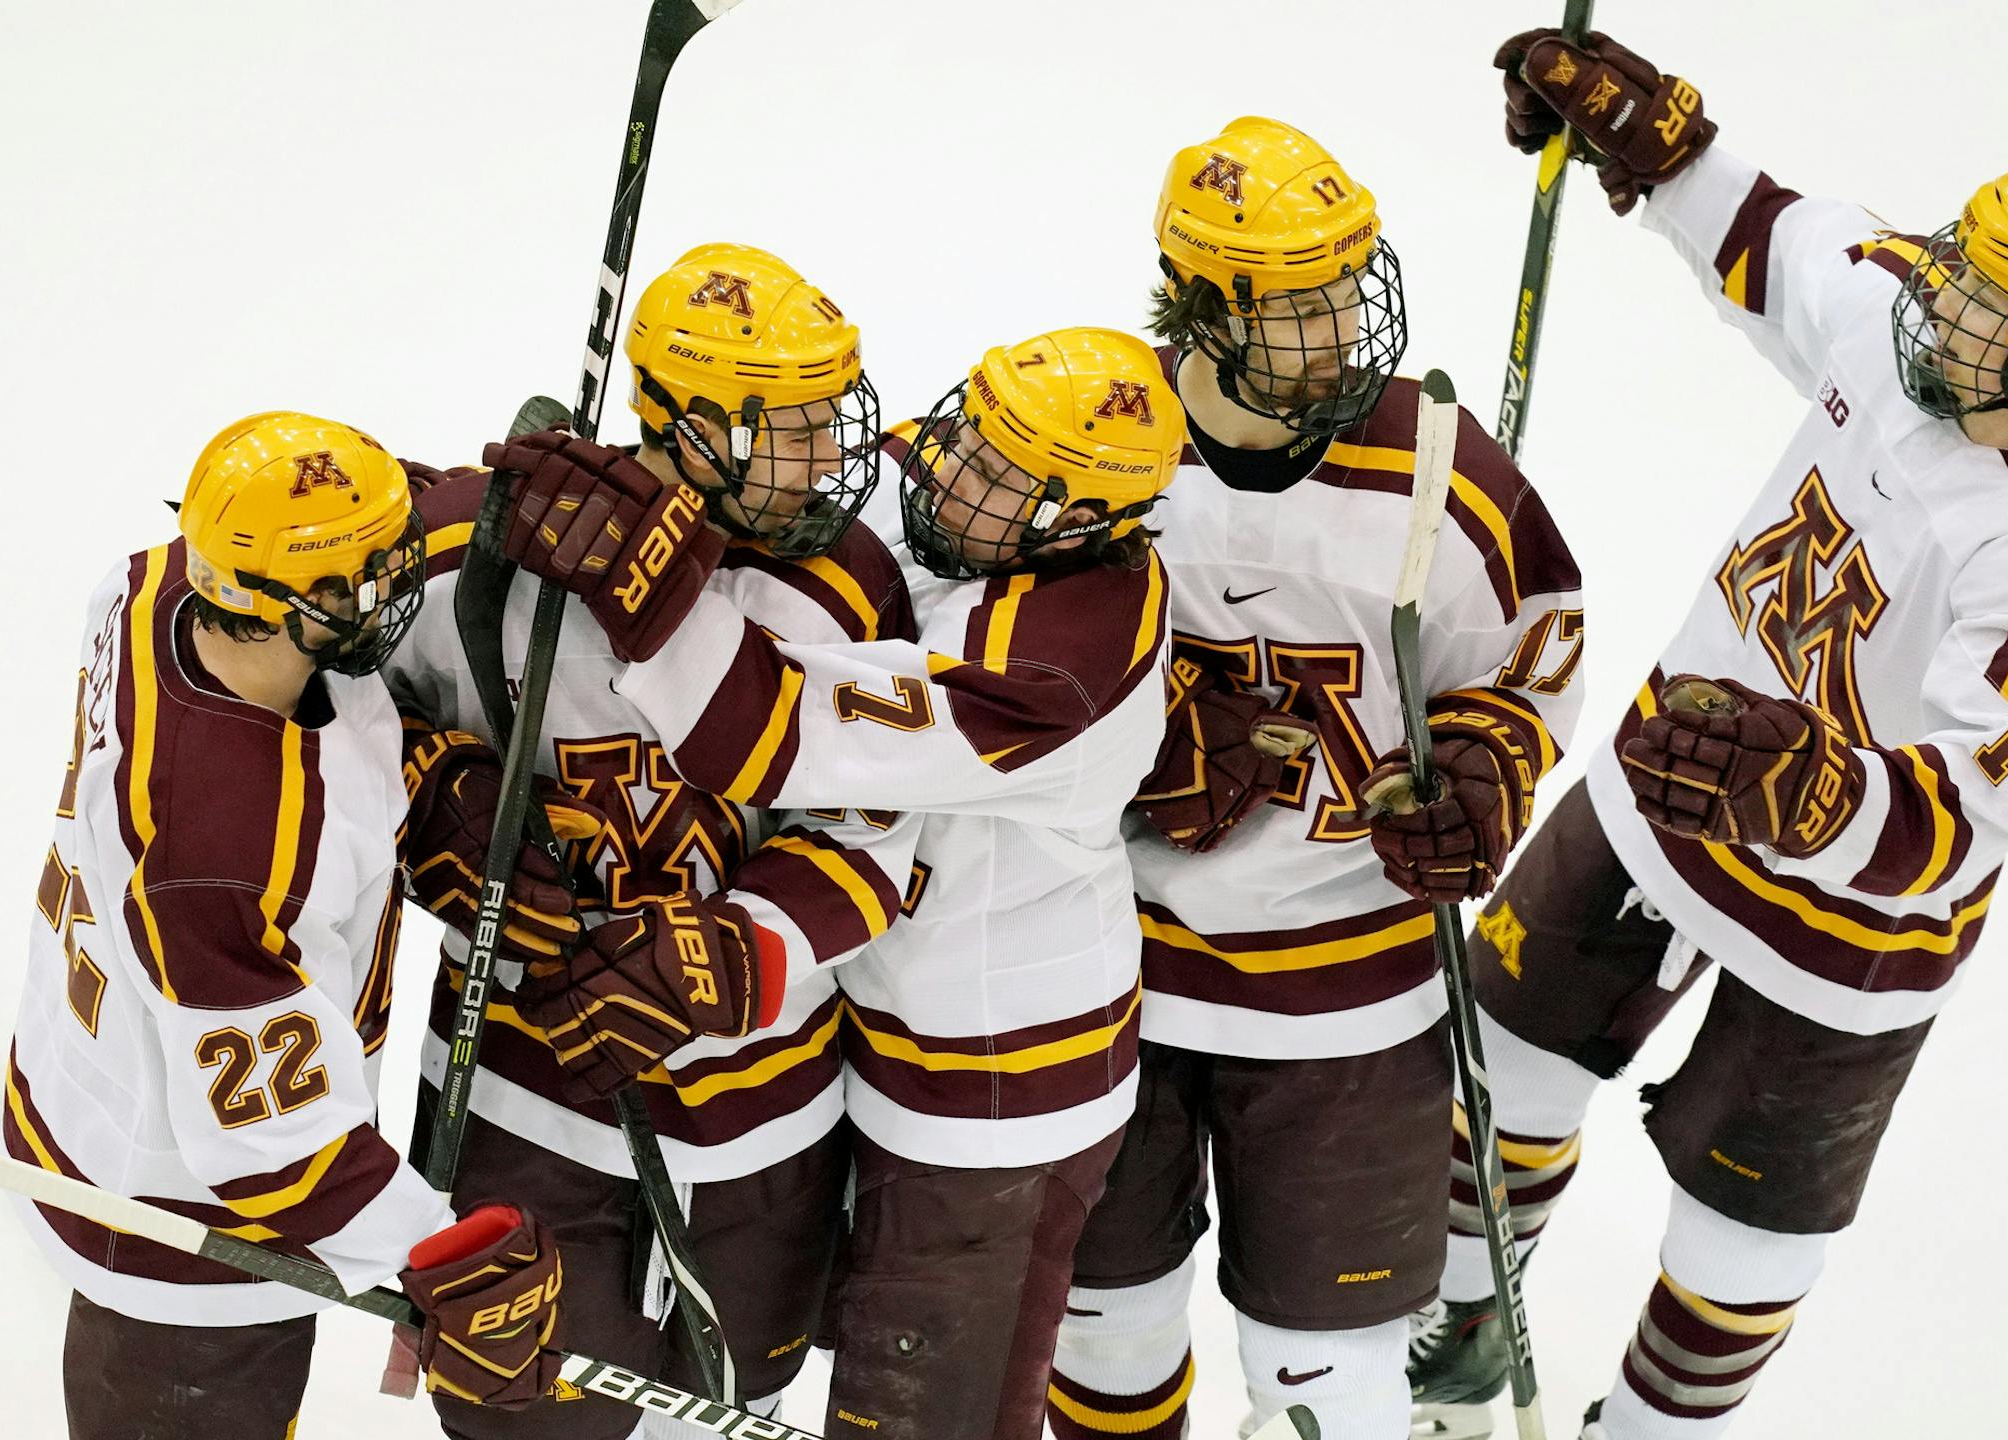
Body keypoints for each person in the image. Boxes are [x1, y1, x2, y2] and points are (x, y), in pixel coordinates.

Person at [1410, 30, 2008, 1440]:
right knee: (1499, 1062)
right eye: (1965, 271)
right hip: (1665, 789)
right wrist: (1653, 141)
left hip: (1854, 920)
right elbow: (1761, 232)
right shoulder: (1904, 317)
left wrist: (1817, 793)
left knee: (1748, 1233)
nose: (1949, 310)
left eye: (1997, 306)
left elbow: (1983, 803)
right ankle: (1457, 1337)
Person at [496, 325, 1185, 1439]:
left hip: (993, 1091)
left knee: (917, 1418)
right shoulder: (992, 515)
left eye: (997, 471)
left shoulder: (1048, 661)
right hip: (871, 1048)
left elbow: (759, 728)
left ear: (1077, 524)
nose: (944, 464)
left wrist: (645, 576)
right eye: (971, 428)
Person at [1040, 116, 1587, 1440]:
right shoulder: (1093, 451)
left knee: (1332, 1388)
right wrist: (1123, 750)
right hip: (1111, 979)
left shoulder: (1448, 477)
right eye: (1300, 303)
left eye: (1350, 285)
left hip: (1353, 1000)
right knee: (1104, 1335)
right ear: (1203, 305)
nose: (1343, 324)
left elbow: (1532, 664)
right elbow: (961, 646)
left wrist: (1484, 770)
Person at [387, 244, 919, 1438]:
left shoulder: (846, 582)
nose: (829, 454)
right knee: (526, 1418)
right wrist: (434, 804)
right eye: (791, 424)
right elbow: (329, 723)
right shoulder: (479, 555)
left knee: (728, 1415)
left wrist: (735, 952)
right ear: (687, 421)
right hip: (525, 1101)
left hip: (768, 1112)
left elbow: (882, 830)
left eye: (832, 416)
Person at [5, 413, 567, 1438]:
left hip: (93, 1078)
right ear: (262, 606)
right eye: (362, 580)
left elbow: (297, 543)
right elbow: (274, 1148)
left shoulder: (151, 589)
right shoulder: (224, 848)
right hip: (187, 1227)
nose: (396, 590)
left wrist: (503, 508)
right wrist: (436, 1254)